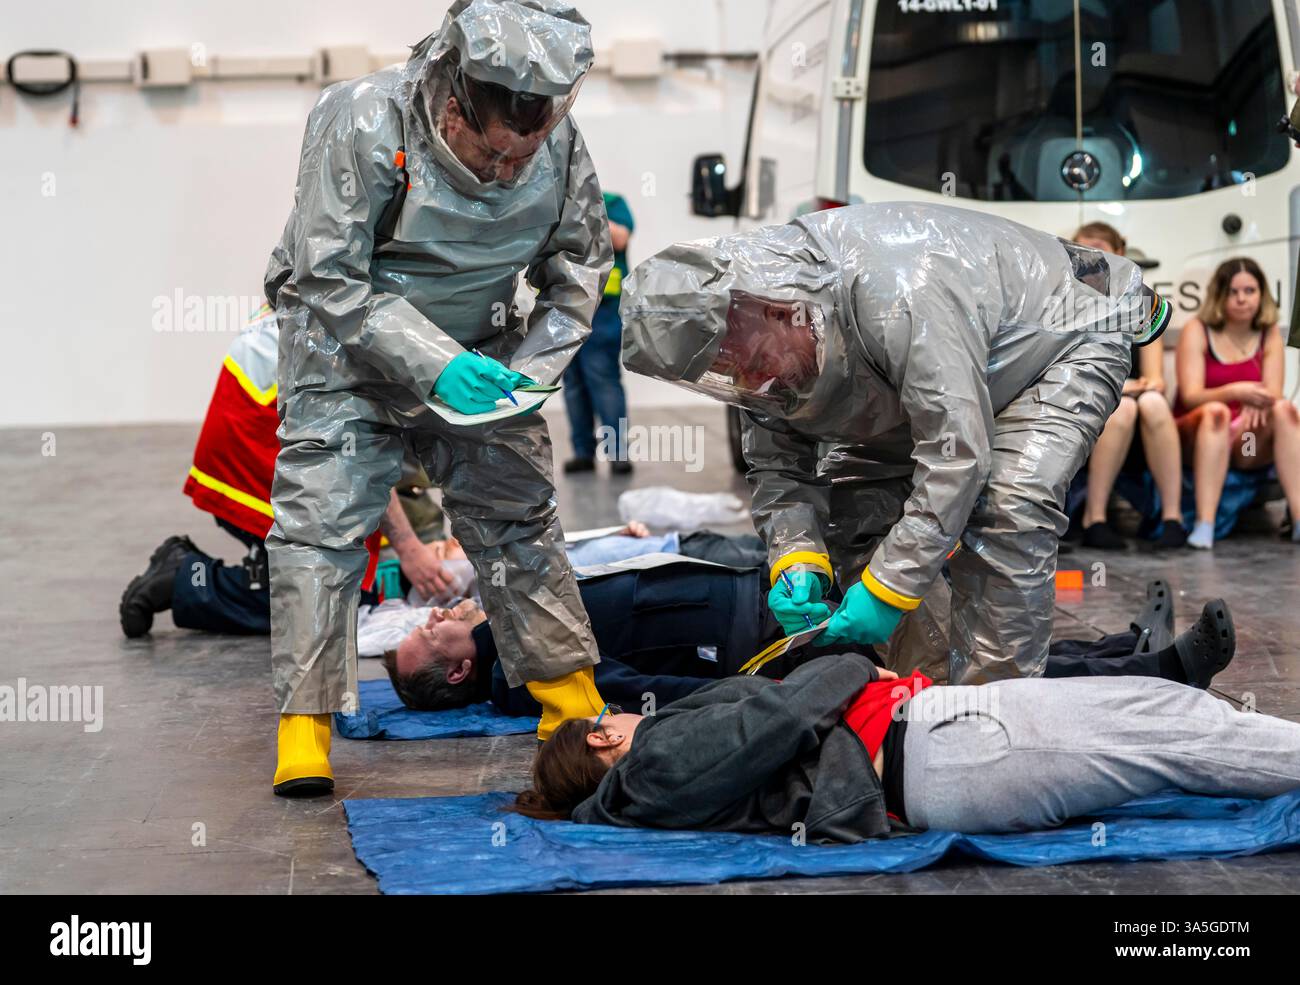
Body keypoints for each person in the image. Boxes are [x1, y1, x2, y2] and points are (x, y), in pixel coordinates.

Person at [265, 0, 613, 796]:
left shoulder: (555, 145)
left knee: (518, 515)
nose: (506, 173)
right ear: (453, 104)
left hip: (483, 342)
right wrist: (429, 361)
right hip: (344, 343)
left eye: (521, 161)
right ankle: (305, 728)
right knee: (321, 527)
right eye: (494, 158)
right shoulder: (360, 118)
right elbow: (326, 273)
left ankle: (568, 700)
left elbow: (579, 271)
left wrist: (532, 369)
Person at [620, 203, 1171, 684]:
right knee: (857, 513)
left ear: (767, 306)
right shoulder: (768, 346)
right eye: (716, 369)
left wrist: (888, 588)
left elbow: (956, 455)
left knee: (1007, 506)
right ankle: (926, 711)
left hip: (1064, 336)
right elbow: (777, 467)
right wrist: (797, 556)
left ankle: (998, 728)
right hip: (945, 376)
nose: (739, 373)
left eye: (734, 354)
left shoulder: (896, 294)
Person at [513, 649, 1300, 839]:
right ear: (605, 735)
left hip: (939, 741)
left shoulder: (655, 772)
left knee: (1165, 713)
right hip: (945, 751)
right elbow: (783, 721)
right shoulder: (653, 763)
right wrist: (850, 663)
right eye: (608, 714)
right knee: (1179, 732)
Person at [387, 573, 1234, 714]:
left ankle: (1128, 651)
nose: (431, 617)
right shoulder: (528, 673)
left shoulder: (510, 619)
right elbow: (634, 685)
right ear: (458, 669)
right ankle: (1162, 671)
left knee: (963, 635)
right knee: (965, 667)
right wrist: (769, 686)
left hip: (754, 599)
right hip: (757, 645)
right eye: (429, 639)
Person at [119, 307, 454, 638]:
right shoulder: (348, 326)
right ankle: (184, 577)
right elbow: (358, 463)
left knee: (343, 574)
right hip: (258, 454)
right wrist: (410, 549)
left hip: (251, 434)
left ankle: (274, 567)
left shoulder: (328, 285)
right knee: (337, 604)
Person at [1070, 223, 1186, 549]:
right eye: (1084, 253)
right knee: (1123, 407)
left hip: (1137, 410)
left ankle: (1173, 519)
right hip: (1095, 407)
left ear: (1119, 254)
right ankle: (1095, 518)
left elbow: (1156, 379)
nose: (1093, 260)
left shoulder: (1140, 302)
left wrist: (1135, 387)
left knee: (1152, 402)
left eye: (1100, 251)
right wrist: (1123, 390)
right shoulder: (1069, 303)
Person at [1174, 258, 1300, 549]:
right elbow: (1191, 395)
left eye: (1250, 291)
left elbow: (1273, 393)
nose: (1242, 299)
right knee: (1216, 414)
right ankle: (1205, 523)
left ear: (1262, 294)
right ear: (1219, 295)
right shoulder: (1198, 329)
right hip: (1201, 431)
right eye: (1233, 292)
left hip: (1246, 440)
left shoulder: (1268, 333)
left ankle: (1297, 518)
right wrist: (1236, 392)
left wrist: (1258, 402)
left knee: (1284, 410)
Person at [564, 192, 635, 475]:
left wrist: (585, 210)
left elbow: (620, 238)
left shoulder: (611, 202)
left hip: (602, 310)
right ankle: (583, 453)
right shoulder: (558, 202)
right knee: (574, 385)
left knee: (603, 379)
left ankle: (618, 453)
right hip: (566, 308)